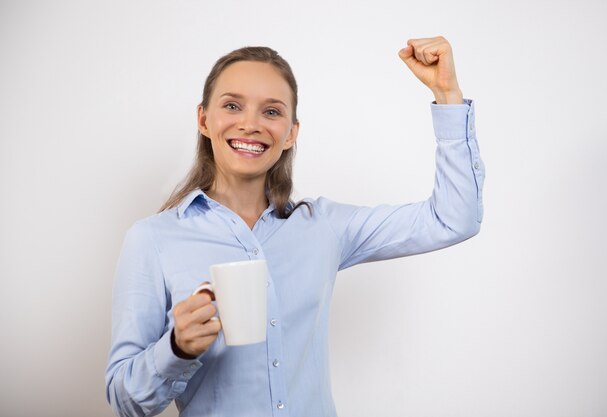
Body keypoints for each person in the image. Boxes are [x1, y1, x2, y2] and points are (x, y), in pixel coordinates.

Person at [106, 36, 484, 417]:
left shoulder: (324, 227)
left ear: (291, 133)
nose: (250, 124)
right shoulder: (153, 239)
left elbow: (452, 218)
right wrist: (175, 349)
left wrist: (447, 94)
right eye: (232, 106)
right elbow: (125, 402)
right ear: (204, 119)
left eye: (271, 112)